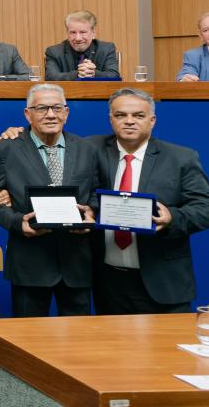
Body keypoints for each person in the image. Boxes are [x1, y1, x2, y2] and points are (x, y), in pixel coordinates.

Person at [88, 88, 209, 314]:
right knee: (113, 349)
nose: (129, 121)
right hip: (108, 281)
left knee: (167, 349)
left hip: (163, 281)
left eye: (139, 115)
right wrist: (13, 133)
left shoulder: (181, 158)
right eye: (121, 115)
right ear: (111, 119)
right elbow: (52, 143)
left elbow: (205, 208)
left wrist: (173, 218)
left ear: (152, 120)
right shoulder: (89, 149)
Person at [0, 84, 99, 317]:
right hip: (30, 262)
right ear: (28, 114)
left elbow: (96, 192)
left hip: (77, 262)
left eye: (57, 108)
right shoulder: (6, 149)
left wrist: (92, 213)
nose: (50, 114)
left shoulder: (87, 149)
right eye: (42, 108)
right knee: (27, 339)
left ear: (66, 112)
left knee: (80, 339)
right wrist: (18, 223)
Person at [43, 10, 120, 80]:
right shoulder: (54, 52)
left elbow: (114, 75)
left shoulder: (106, 49)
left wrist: (93, 73)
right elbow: (50, 77)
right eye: (73, 32)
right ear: (67, 33)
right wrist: (78, 74)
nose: (78, 38)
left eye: (83, 32)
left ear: (93, 33)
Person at [176, 11, 209, 81]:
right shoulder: (193, 56)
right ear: (201, 35)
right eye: (206, 30)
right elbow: (187, 73)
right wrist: (185, 79)